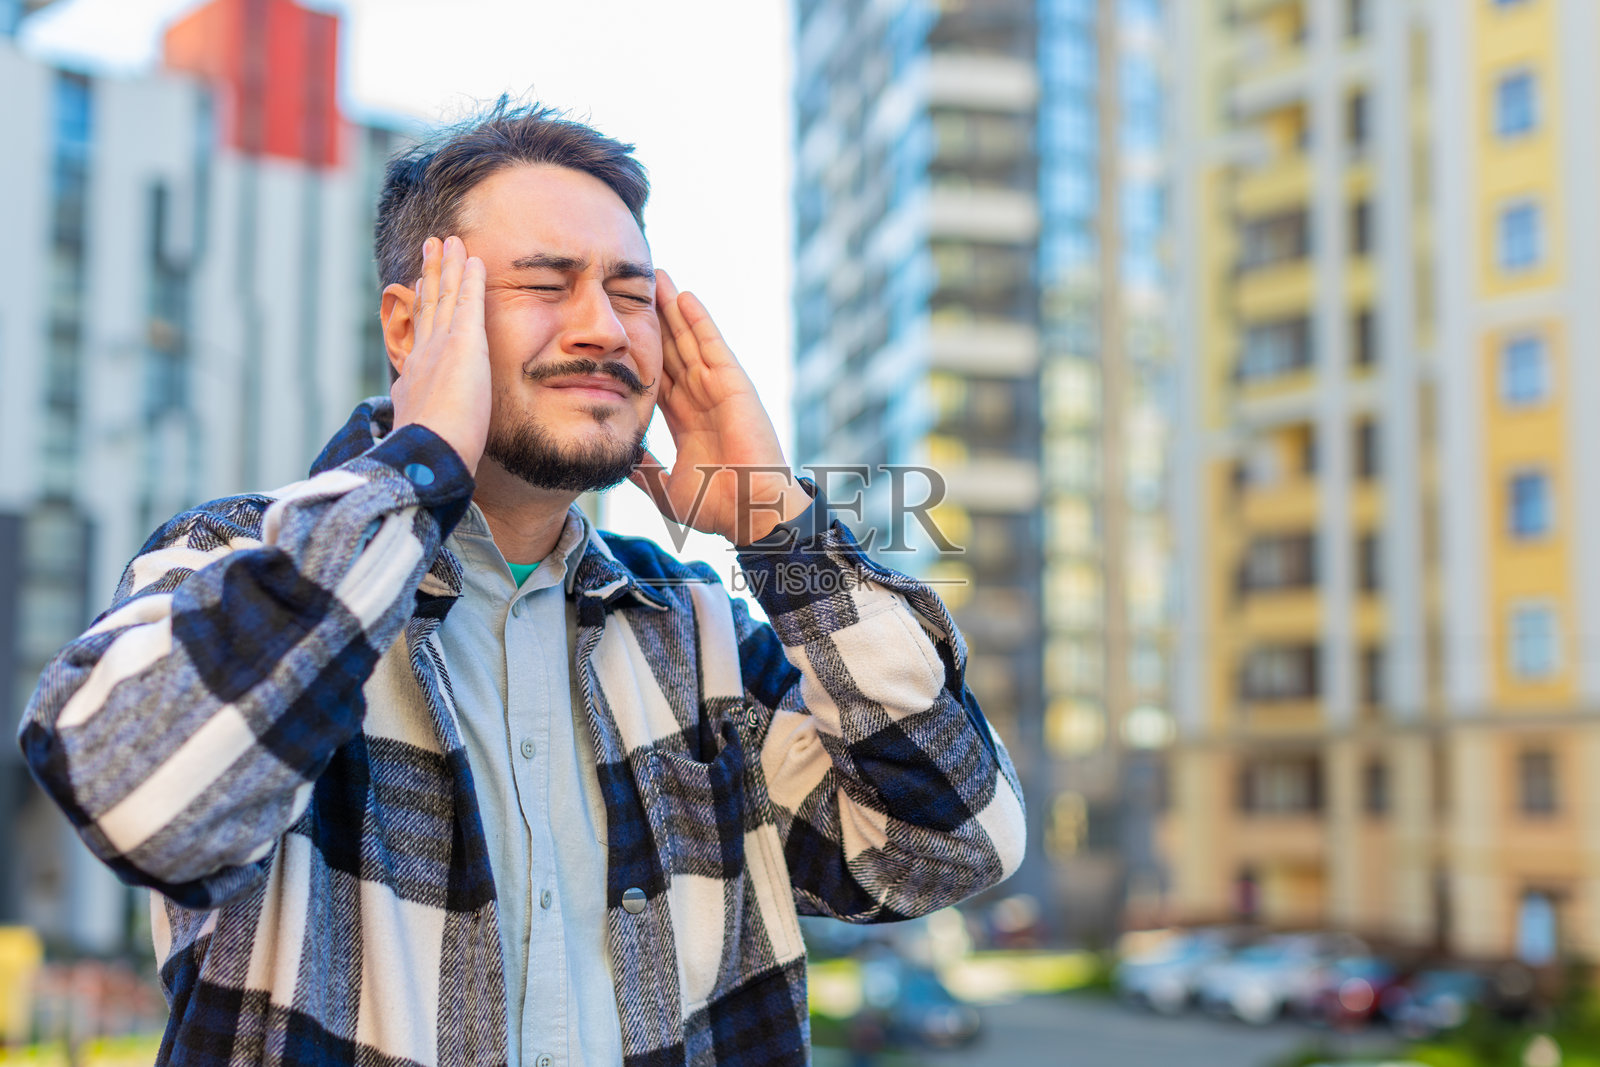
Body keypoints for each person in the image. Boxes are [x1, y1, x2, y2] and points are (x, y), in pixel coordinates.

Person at [19, 101, 1026, 1067]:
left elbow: (955, 842)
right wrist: (417, 465)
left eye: (632, 293)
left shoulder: (704, 634)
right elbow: (145, 802)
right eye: (547, 283)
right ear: (410, 328)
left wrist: (777, 526)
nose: (603, 327)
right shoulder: (231, 565)